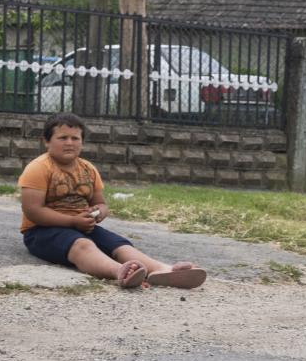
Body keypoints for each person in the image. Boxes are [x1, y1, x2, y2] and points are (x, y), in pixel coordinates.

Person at [18, 113, 207, 289]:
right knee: (83, 245)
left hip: (80, 226)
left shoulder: (88, 169)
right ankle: (120, 272)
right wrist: (72, 221)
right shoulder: (38, 168)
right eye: (63, 138)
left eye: (75, 138)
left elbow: (101, 203)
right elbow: (33, 211)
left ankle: (163, 270)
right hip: (41, 232)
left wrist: (99, 212)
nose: (70, 143)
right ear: (47, 141)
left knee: (119, 245)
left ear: (82, 142)